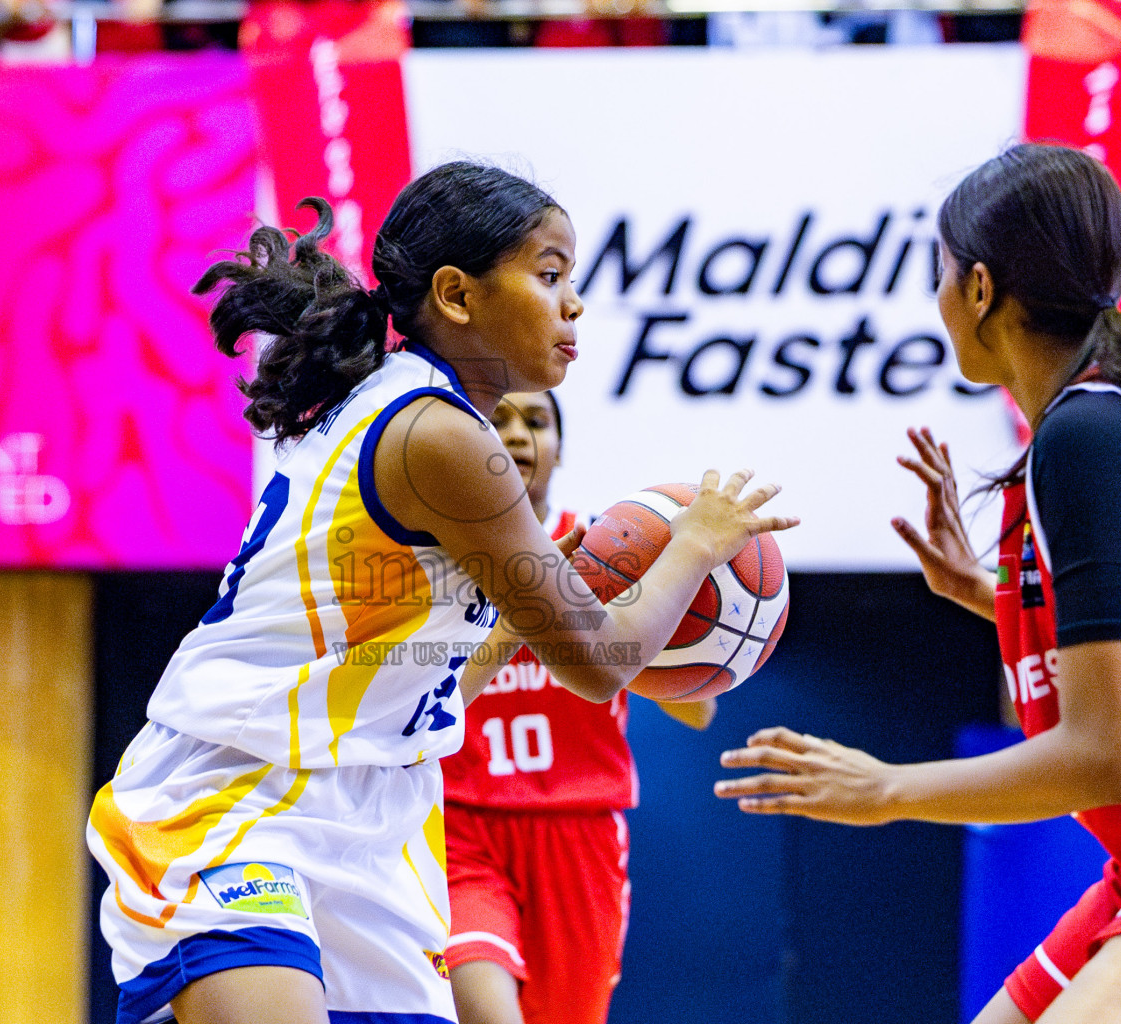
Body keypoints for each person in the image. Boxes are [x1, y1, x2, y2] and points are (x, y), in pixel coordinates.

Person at [87, 161, 797, 1024]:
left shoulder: (404, 404)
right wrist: (695, 544)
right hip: (241, 790)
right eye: (549, 275)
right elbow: (602, 661)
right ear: (457, 295)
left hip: (372, 818)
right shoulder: (442, 435)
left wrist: (508, 629)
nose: (573, 304)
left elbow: (413, 690)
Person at [714, 143, 1121, 1024]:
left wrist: (885, 789)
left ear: (977, 288)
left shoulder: (1087, 435)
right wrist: (988, 593)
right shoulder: (1102, 416)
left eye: (938, 273)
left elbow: (1109, 758)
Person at [443, 391, 716, 1024]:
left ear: (560, 447)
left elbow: (698, 711)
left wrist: (647, 616)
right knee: (481, 1002)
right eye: (497, 420)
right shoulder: (433, 561)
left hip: (577, 827)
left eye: (536, 422)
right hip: (459, 821)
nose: (517, 434)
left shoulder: (611, 556)